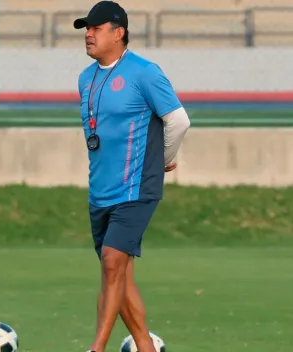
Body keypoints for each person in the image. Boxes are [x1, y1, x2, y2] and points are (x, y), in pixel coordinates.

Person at [74, 2, 191, 352]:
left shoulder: (144, 73)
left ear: (119, 32)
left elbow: (178, 120)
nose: (88, 33)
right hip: (101, 190)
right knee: (119, 275)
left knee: (112, 263)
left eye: (96, 27)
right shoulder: (86, 78)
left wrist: (163, 158)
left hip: (136, 186)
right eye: (86, 28)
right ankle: (145, 345)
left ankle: (96, 347)